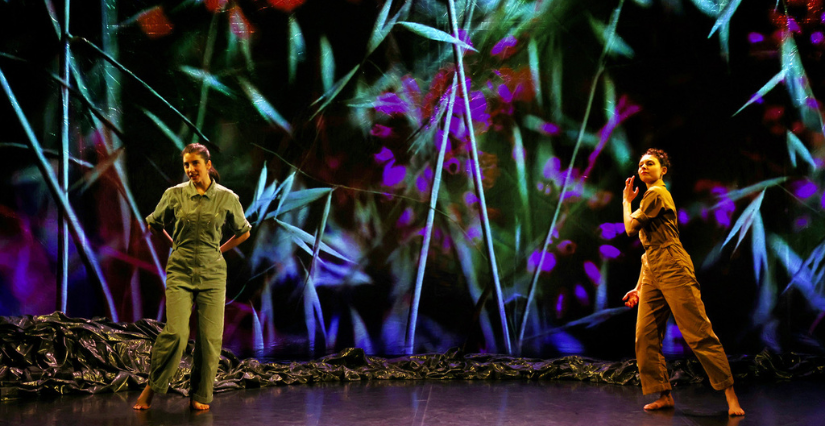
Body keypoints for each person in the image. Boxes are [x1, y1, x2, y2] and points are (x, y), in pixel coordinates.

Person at [621, 148, 744, 416]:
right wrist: (640, 286)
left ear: (663, 170)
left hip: (674, 267)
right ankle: (664, 395)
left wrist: (625, 201)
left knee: (697, 332)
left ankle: (731, 396)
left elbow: (630, 229)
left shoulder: (656, 194)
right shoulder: (649, 197)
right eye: (641, 164)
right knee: (645, 335)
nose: (643, 167)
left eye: (650, 163)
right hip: (653, 268)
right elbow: (649, 250)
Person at [133, 143, 251, 411]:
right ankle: (152, 387)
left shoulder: (226, 197)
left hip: (212, 274)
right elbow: (154, 222)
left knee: (210, 340)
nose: (190, 169)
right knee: (176, 333)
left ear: (208, 165)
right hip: (181, 271)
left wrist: (220, 249)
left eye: (195, 164)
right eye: (186, 165)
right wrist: (174, 244)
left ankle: (200, 393)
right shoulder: (174, 195)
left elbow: (244, 231)